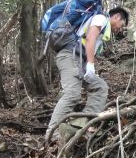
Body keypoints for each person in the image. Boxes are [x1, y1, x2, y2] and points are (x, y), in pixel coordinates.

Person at [46, 7, 129, 141]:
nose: (120, 28)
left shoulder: (104, 29)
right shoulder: (101, 19)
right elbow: (90, 38)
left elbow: (88, 46)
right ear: (117, 17)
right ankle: (52, 134)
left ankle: (82, 125)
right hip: (69, 57)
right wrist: (90, 65)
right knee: (72, 94)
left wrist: (88, 65)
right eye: (122, 24)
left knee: (100, 87)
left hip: (79, 62)